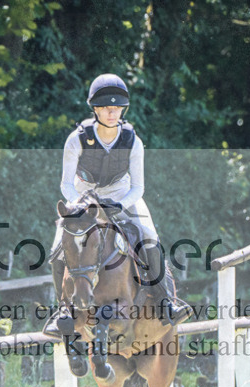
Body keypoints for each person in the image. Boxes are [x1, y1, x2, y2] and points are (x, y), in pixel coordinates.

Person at [43, 73, 192, 337]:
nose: (112, 113)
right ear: (95, 109)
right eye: (106, 109)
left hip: (122, 193)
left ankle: (166, 301)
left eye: (117, 109)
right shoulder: (76, 139)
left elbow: (138, 187)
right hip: (83, 196)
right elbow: (65, 184)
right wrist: (79, 204)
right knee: (57, 248)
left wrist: (118, 205)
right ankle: (63, 310)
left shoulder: (132, 140)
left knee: (149, 237)